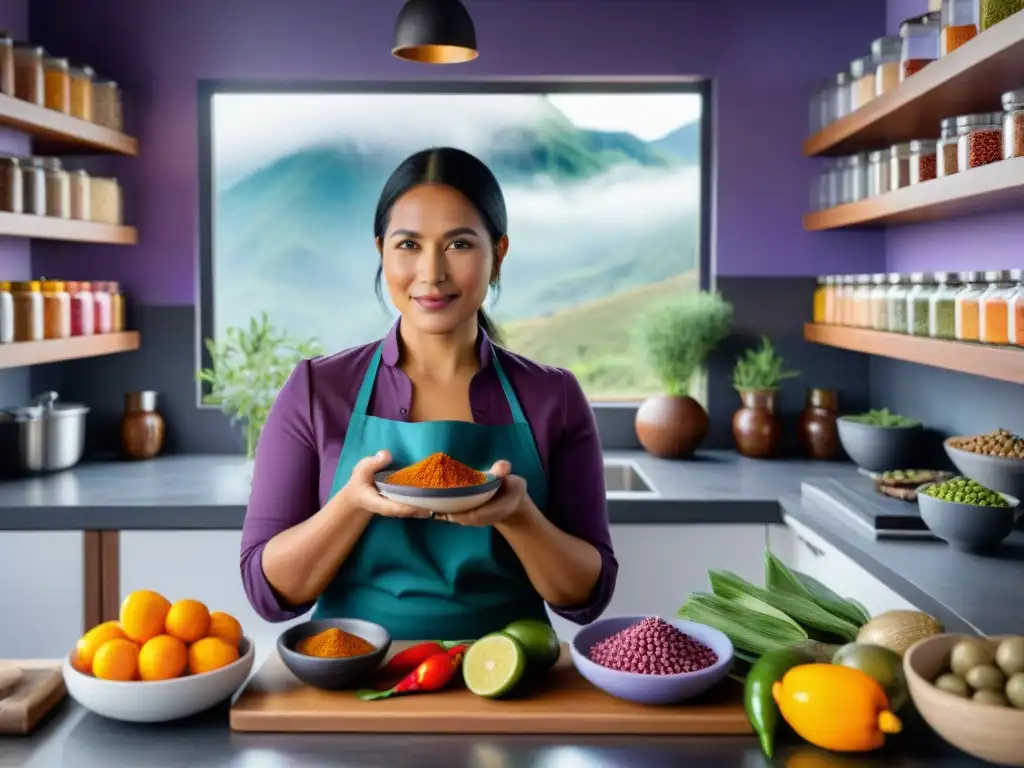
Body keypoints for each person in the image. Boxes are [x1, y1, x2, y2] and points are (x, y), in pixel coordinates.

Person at [239, 147, 618, 641]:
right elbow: (268, 594)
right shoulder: (317, 389)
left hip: (510, 676)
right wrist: (352, 504)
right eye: (408, 245)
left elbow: (587, 597)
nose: (432, 272)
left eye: (459, 244)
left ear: (498, 254)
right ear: (381, 251)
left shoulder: (553, 395)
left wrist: (519, 516)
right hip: (350, 674)